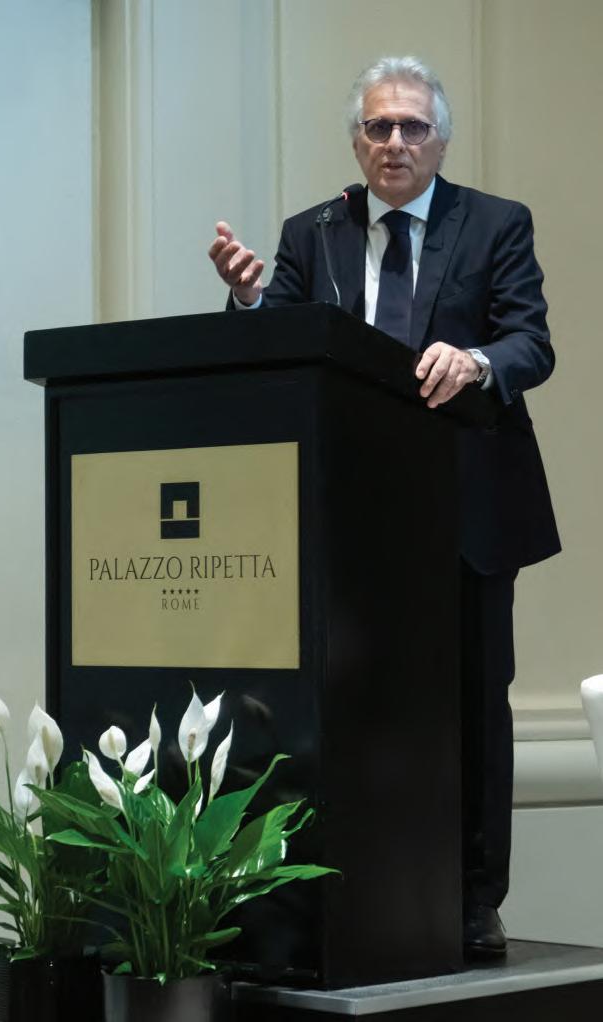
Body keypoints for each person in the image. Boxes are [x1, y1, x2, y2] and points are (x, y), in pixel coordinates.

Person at [208, 55, 560, 959]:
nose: (393, 141)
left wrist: (477, 361)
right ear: (356, 141)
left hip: (467, 508)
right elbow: (280, 345)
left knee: (473, 706)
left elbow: (530, 341)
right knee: (347, 705)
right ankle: (350, 891)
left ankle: (473, 898)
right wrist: (248, 296)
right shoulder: (312, 233)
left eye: (411, 126)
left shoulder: (494, 223)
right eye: (377, 126)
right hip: (346, 515)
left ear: (439, 141)